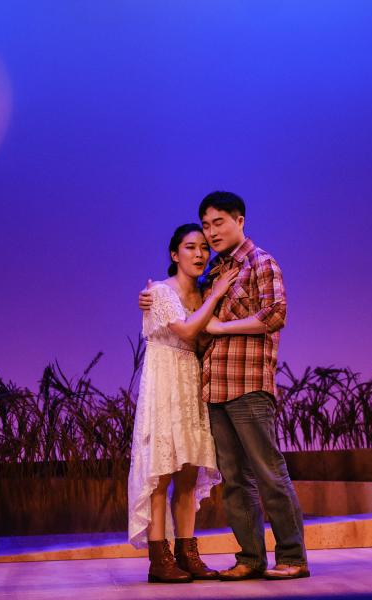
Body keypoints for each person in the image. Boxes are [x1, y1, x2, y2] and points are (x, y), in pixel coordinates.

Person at [139, 191, 310, 580]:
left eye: (218, 223)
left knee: (268, 471)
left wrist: (221, 327)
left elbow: (275, 314)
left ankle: (292, 556)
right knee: (235, 481)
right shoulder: (216, 272)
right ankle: (250, 557)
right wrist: (153, 304)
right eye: (205, 225)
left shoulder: (260, 262)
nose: (211, 233)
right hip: (214, 388)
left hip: (248, 382)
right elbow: (192, 325)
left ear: (240, 221)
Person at [128, 223, 239, 584]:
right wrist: (217, 294)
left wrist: (214, 295)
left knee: (188, 471)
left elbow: (204, 341)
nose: (199, 254)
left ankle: (187, 553)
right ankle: (159, 559)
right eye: (191, 247)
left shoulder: (204, 291)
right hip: (164, 382)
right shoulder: (160, 292)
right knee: (161, 471)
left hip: (191, 381)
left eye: (205, 248)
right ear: (175, 254)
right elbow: (188, 331)